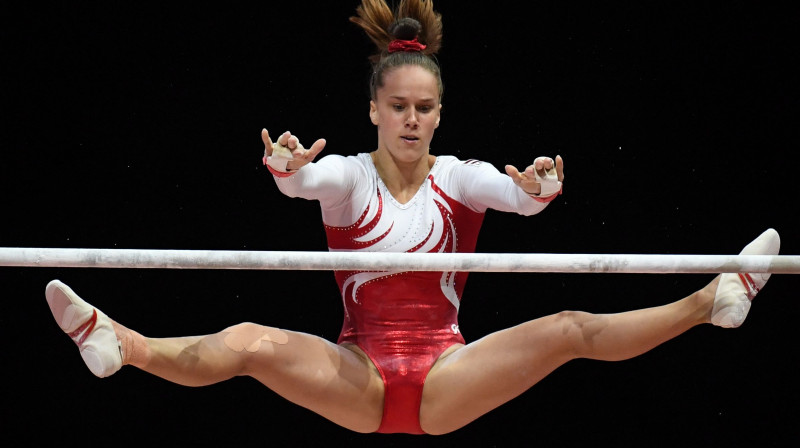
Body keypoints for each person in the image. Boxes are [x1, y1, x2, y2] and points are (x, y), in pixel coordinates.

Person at [45, 0, 781, 436]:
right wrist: (287, 168)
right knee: (249, 342)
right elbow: (306, 184)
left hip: (449, 374)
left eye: (423, 108)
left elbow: (518, 199)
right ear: (373, 109)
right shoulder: (348, 177)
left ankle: (709, 302)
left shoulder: (461, 177)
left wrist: (540, 187)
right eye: (396, 106)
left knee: (568, 329)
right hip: (359, 373)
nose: (409, 119)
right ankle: (120, 344)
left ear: (438, 115)